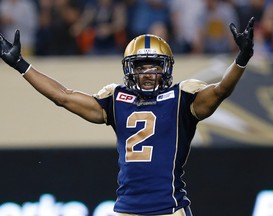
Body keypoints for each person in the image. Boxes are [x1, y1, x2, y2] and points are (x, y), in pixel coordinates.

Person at [0, 16, 254, 216]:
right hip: (127, 209)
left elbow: (221, 90)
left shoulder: (183, 97)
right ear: (129, 70)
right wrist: (22, 65)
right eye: (140, 67)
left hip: (168, 208)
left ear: (166, 68)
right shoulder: (116, 98)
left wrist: (241, 59)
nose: (146, 73)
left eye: (154, 66)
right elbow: (63, 96)